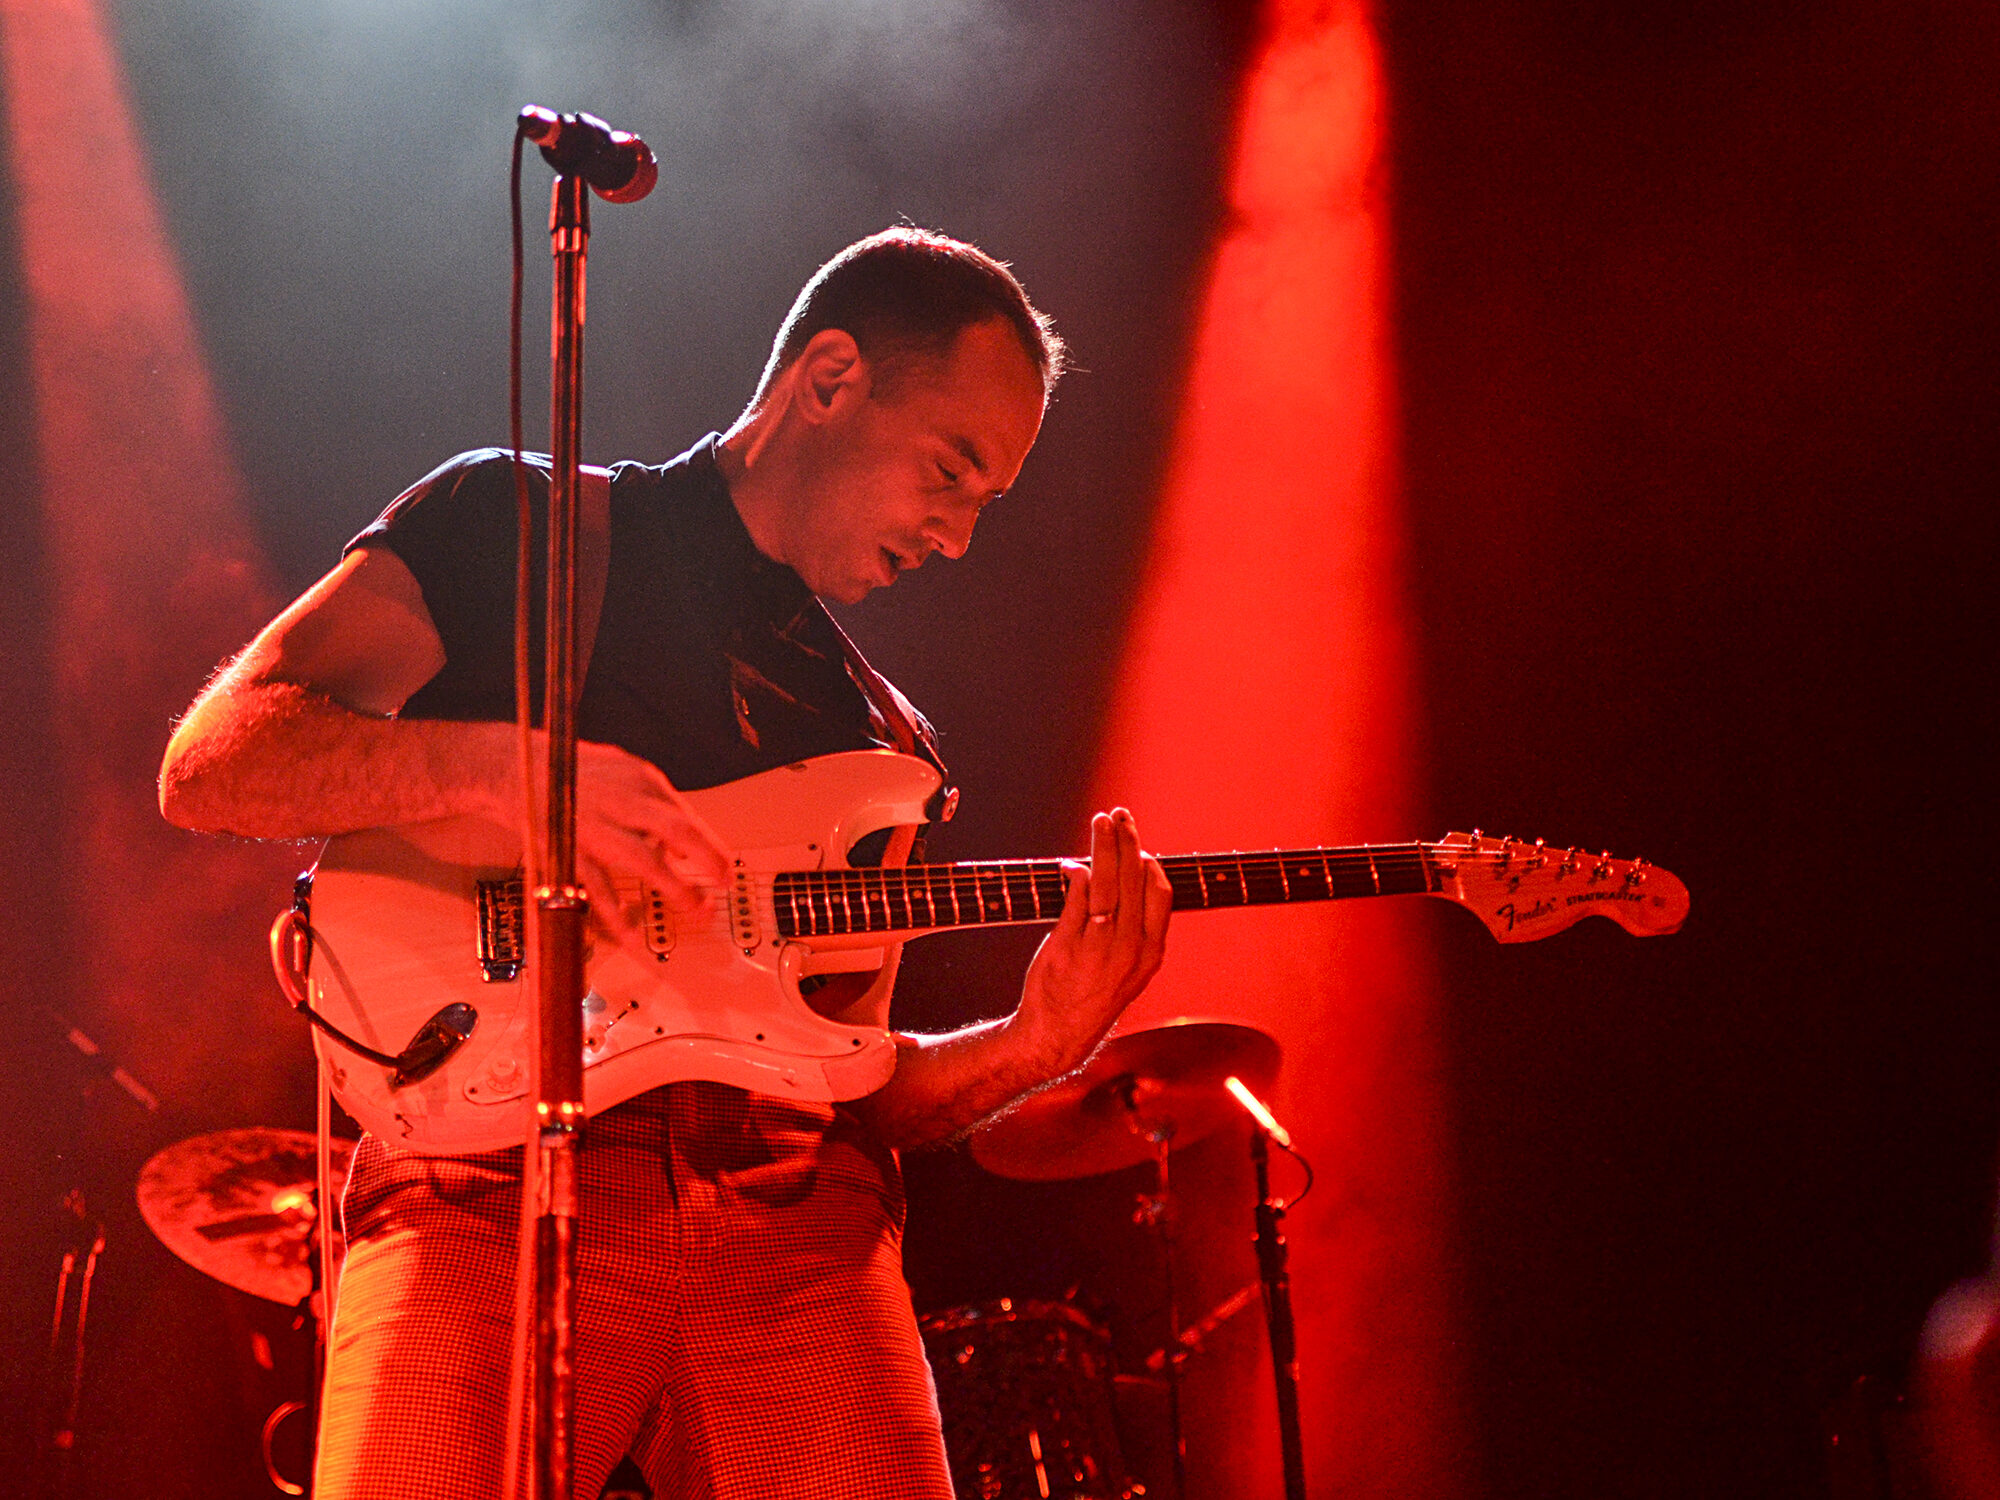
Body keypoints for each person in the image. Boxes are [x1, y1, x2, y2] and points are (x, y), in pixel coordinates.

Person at [157, 226, 1172, 1499]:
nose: (957, 537)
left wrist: (1037, 1042)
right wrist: (498, 772)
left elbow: (853, 1082)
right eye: (950, 470)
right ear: (829, 377)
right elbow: (213, 764)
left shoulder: (883, 744)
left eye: (985, 501)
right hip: (483, 1185)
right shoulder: (521, 521)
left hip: (795, 1233)